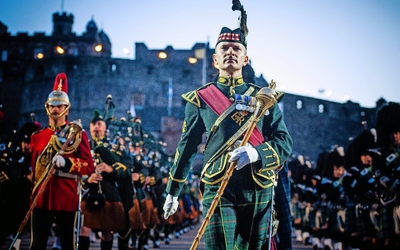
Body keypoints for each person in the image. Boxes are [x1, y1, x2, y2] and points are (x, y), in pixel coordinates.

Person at [162, 1, 293, 249]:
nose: (230, 51)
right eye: (224, 48)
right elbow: (186, 147)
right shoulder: (200, 98)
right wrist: (173, 190)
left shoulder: (264, 97)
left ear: (246, 58)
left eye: (236, 47)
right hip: (217, 182)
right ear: (215, 59)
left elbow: (284, 142)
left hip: (259, 184)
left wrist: (256, 153)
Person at [29, 72, 95, 249]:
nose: (55, 109)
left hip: (66, 196)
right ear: (47, 107)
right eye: (52, 106)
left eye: (60, 106)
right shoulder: (37, 137)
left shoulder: (77, 134)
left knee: (67, 242)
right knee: (37, 243)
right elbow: (34, 170)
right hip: (41, 196)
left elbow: (89, 166)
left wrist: (67, 164)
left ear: (67, 108)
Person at [79, 110, 134, 250]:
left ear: (105, 127)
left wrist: (112, 169)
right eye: (93, 124)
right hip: (89, 192)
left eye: (99, 124)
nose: (96, 127)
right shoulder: (83, 146)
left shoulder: (116, 148)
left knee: (106, 231)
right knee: (84, 229)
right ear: (89, 127)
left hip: (109, 192)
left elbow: (128, 165)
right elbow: (77, 167)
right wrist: (87, 179)